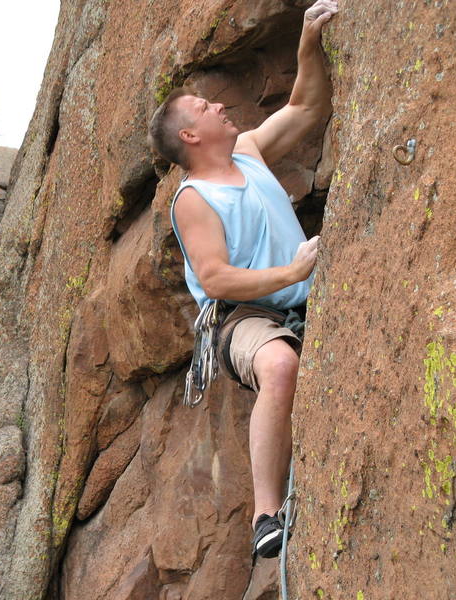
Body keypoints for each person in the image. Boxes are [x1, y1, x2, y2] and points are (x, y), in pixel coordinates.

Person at [147, 0, 338, 560]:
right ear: (190, 133)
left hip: (300, 293)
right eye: (206, 106)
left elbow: (305, 106)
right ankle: (264, 515)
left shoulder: (249, 151)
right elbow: (217, 277)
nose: (220, 106)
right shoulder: (192, 198)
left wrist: (308, 41)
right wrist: (294, 272)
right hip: (245, 319)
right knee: (281, 364)